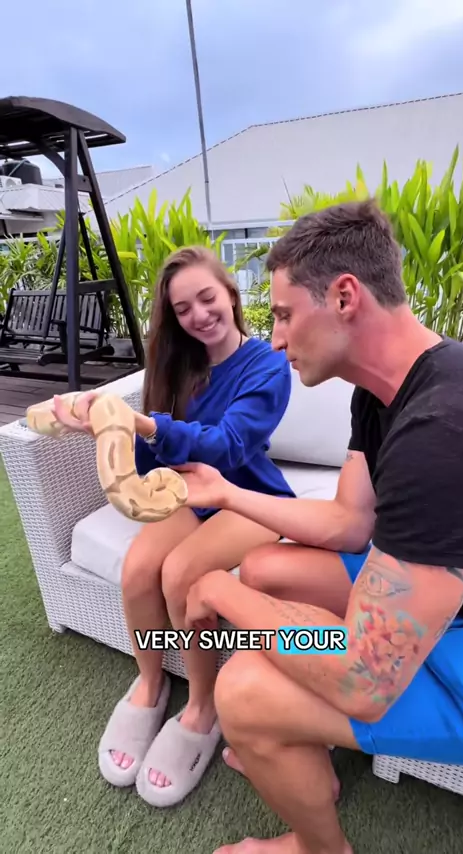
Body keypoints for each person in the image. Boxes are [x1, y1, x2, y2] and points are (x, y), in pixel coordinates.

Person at [173, 201, 463, 854]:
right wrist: (227, 492)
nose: (275, 339)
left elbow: (364, 682)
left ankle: (320, 849)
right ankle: (303, 748)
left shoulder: (442, 433)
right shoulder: (388, 389)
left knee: (242, 692)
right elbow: (348, 522)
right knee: (266, 567)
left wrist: (218, 589)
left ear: (344, 297)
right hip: (452, 598)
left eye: (284, 315)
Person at [52, 245, 295, 807]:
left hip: (248, 497)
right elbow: (151, 460)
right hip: (190, 491)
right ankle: (151, 681)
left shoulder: (266, 364)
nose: (199, 315)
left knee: (182, 573)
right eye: (183, 309)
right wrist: (104, 427)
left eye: (207, 298)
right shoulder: (179, 363)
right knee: (140, 567)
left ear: (230, 293)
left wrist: (142, 423)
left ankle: (203, 707)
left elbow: (229, 446)